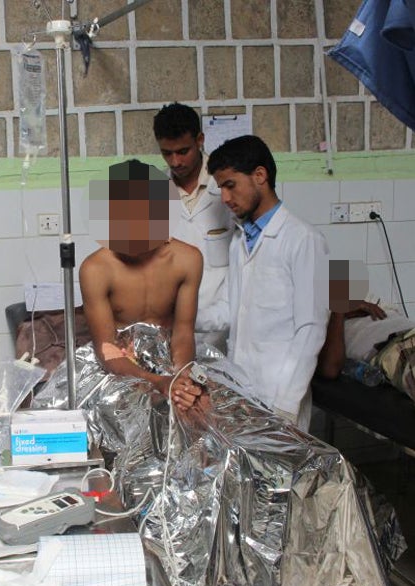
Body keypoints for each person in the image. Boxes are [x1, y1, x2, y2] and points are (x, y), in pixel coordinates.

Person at [207, 135, 329, 430]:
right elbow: (229, 309)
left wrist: (286, 405)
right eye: (221, 188)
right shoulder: (240, 241)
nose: (224, 198)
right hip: (242, 393)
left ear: (260, 176)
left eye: (230, 185)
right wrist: (177, 315)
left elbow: (311, 328)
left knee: (282, 476)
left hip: (281, 397)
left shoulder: (302, 240)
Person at [82, 159, 205, 409]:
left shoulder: (187, 260)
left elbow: (183, 332)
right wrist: (156, 381)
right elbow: (107, 347)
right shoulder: (95, 269)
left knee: (211, 413)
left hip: (172, 362)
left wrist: (179, 380)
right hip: (116, 370)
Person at [153, 103, 233, 352]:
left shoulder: (227, 185)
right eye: (167, 153)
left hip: (226, 324)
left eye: (183, 151)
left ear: (200, 140)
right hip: (173, 328)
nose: (175, 161)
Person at [317, 259, 415, 399]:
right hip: (394, 352)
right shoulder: (320, 322)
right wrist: (339, 311)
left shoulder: (365, 297)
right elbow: (329, 369)